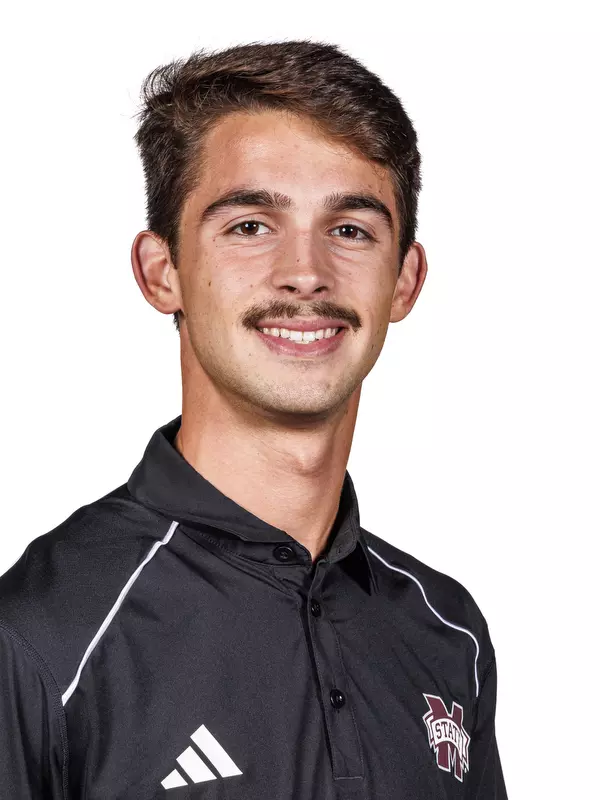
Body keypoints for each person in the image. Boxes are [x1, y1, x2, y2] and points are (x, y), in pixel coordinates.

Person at [0, 40, 507, 799]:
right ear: (160, 270)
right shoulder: (42, 636)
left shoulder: (448, 632)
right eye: (250, 226)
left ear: (405, 281)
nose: (306, 273)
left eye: (350, 230)